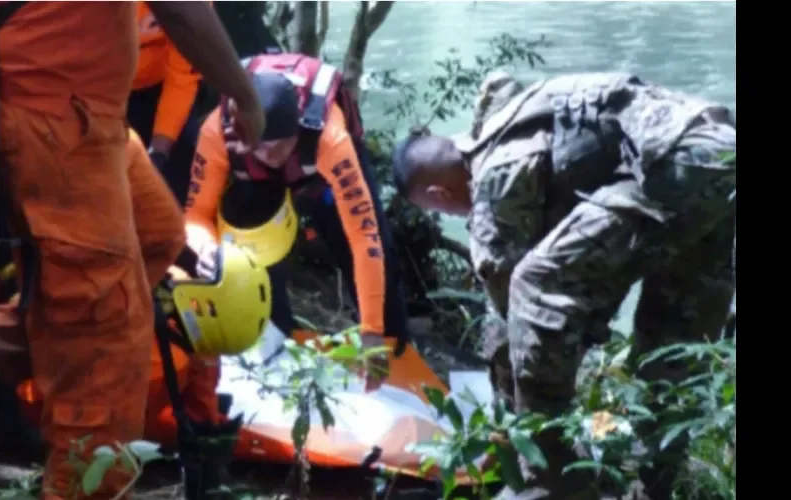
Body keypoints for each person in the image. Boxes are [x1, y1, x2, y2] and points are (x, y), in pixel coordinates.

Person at [391, 72, 736, 499]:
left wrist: (513, 424)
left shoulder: (494, 179)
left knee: (534, 285)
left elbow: (511, 316)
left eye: (437, 209)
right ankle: (658, 485)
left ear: (437, 194)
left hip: (675, 165)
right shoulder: (513, 124)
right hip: (720, 154)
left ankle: (553, 483)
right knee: (673, 338)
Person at [0, 2, 264, 497]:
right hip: (51, 118)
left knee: (161, 236)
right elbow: (180, 8)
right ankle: (83, 466)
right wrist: (245, 95)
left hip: (94, 118)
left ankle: (61, 343)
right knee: (105, 330)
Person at [184, 53, 411, 391]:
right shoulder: (218, 132)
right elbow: (195, 215)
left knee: (371, 248)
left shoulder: (331, 136)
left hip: (319, 175)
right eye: (264, 147)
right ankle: (273, 335)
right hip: (256, 182)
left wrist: (372, 333)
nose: (272, 155)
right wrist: (207, 249)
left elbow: (365, 240)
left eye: (281, 145)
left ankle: (395, 354)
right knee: (244, 237)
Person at [128, 1, 204, 205]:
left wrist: (159, 152)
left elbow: (182, 77)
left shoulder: (192, 6)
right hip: (96, 83)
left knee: (180, 170)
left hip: (164, 82)